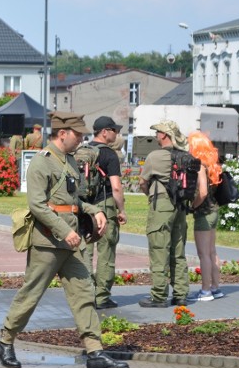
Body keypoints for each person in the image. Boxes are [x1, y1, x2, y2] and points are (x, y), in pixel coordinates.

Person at [0, 112, 129, 368]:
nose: (81, 139)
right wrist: (63, 231)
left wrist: (94, 211)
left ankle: (95, 352)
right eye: (77, 135)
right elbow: (37, 205)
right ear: (62, 133)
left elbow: (73, 201)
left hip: (71, 242)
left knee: (84, 294)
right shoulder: (41, 163)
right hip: (48, 242)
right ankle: (5, 342)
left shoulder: (69, 160)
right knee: (30, 295)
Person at [137, 120, 190, 308]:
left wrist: (149, 194)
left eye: (157, 132)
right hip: (181, 206)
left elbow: (143, 182)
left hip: (162, 204)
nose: (156, 136)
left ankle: (159, 296)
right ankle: (181, 294)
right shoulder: (185, 155)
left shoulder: (155, 156)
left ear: (164, 135)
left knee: (159, 249)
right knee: (178, 250)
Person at [81, 116, 127, 309]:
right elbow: (116, 188)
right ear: (104, 132)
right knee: (106, 251)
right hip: (104, 204)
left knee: (85, 251)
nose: (116, 134)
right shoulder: (109, 155)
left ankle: (85, 294)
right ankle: (102, 297)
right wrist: (121, 210)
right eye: (114, 130)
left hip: (84, 206)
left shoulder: (81, 150)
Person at [187, 131, 224, 302]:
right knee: (212, 251)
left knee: (203, 255)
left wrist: (193, 206)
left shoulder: (200, 165)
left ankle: (205, 291)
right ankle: (216, 287)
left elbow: (201, 191)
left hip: (203, 212)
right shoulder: (213, 164)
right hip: (214, 210)